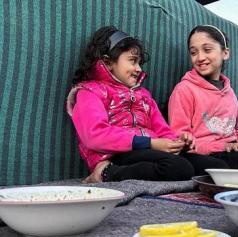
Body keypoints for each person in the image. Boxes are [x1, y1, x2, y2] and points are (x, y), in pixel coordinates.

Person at [67, 26, 225, 183]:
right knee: (177, 167)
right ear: (108, 62)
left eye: (139, 62)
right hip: (116, 154)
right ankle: (106, 173)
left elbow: (163, 130)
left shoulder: (144, 96)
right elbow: (94, 136)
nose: (138, 69)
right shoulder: (89, 92)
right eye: (132, 61)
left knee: (216, 167)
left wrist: (178, 142)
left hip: (150, 150)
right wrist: (149, 143)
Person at [168, 25, 238, 170]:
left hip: (233, 150)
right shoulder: (184, 90)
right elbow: (180, 137)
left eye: (207, 50)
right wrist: (223, 146)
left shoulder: (230, 93)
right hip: (204, 154)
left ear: (225, 53)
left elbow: (235, 131)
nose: (200, 57)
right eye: (194, 52)